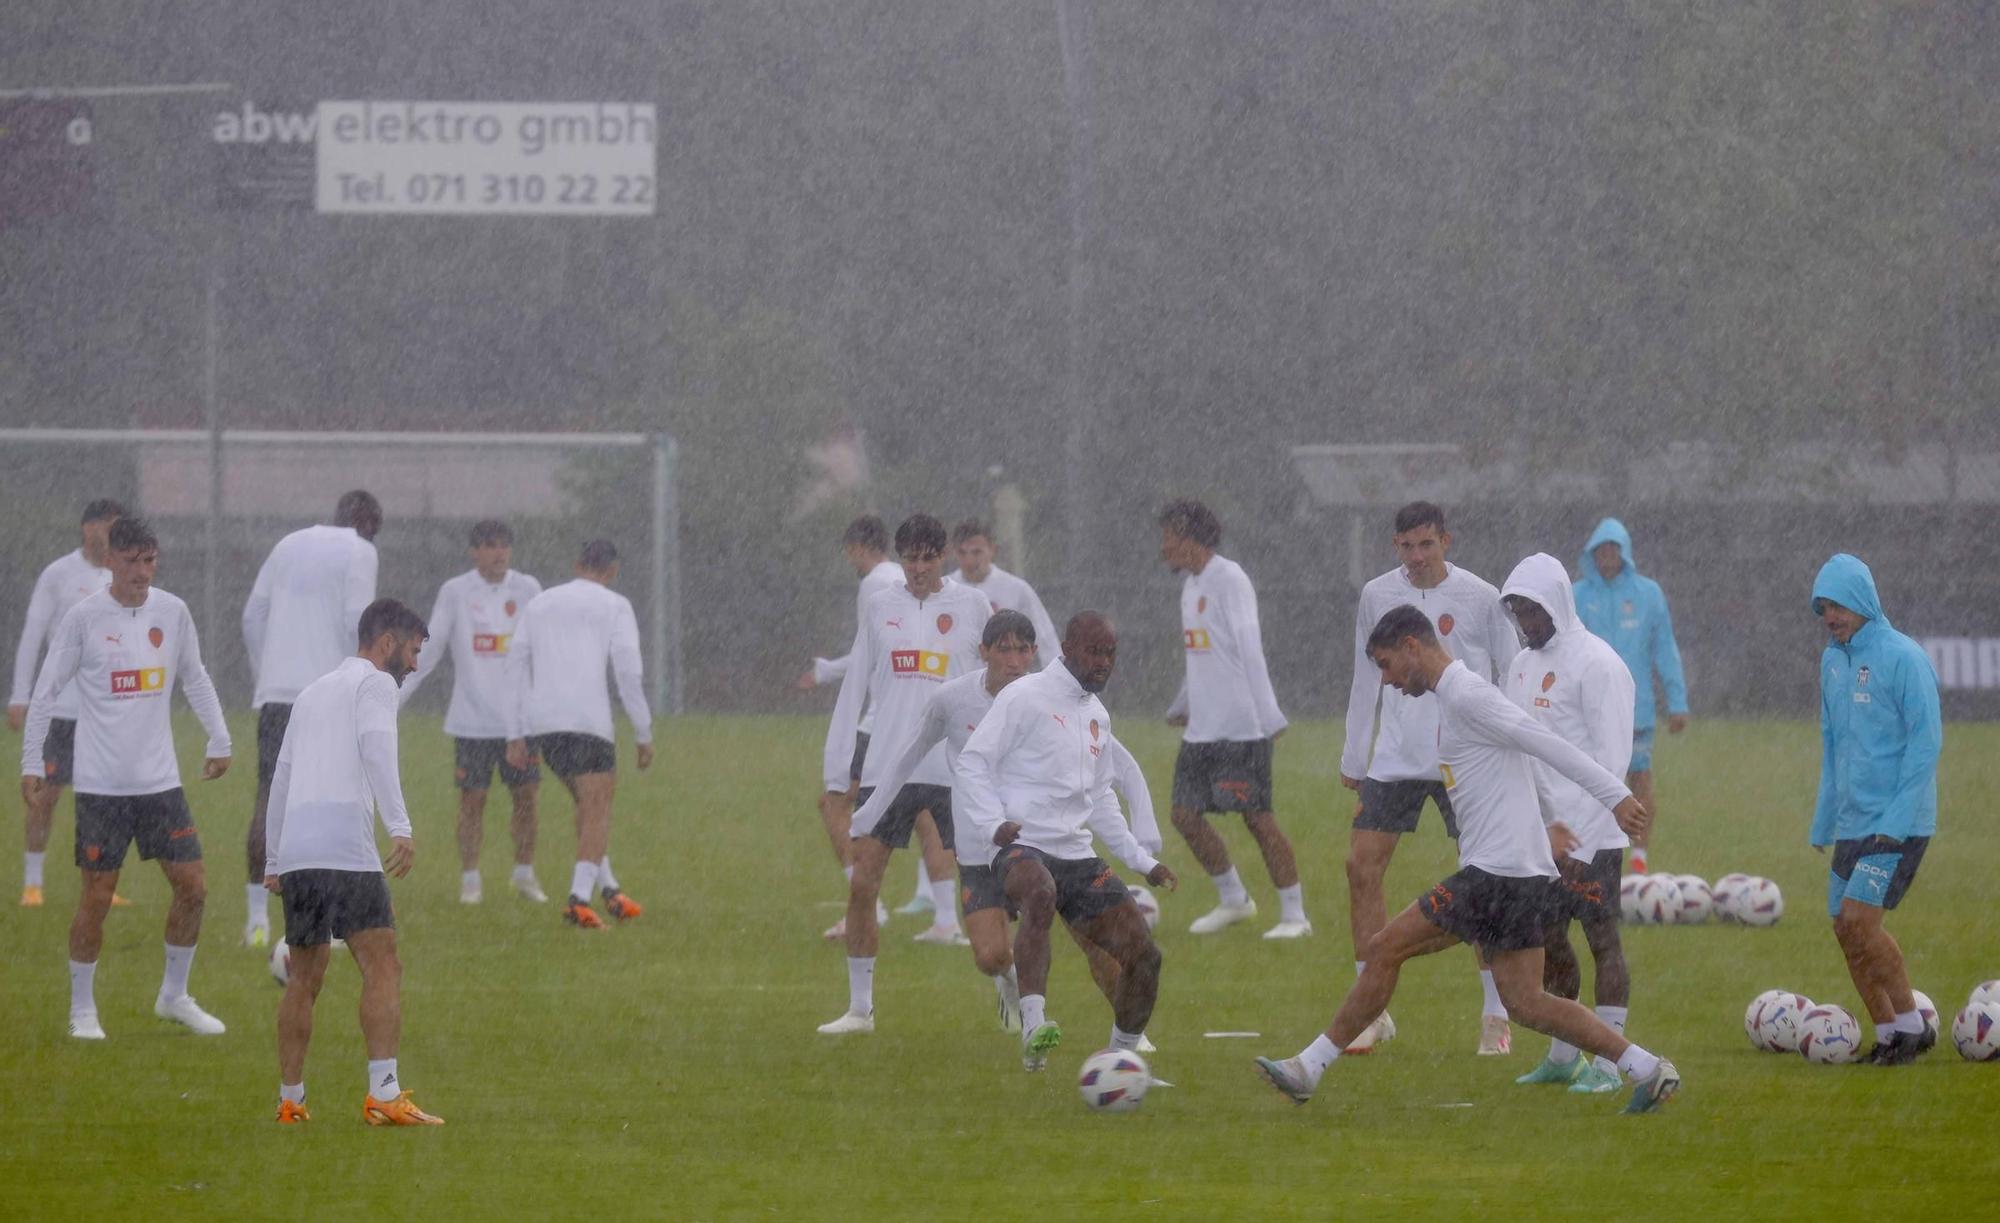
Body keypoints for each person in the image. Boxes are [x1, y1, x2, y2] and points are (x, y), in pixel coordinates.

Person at [1255, 605, 1680, 1115]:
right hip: (1516, 874)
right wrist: (1550, 818)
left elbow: (1541, 741)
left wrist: (1614, 796)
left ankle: (1309, 1066)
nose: (1387, 681)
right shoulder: (1454, 698)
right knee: (1526, 1003)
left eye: (1387, 665)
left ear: (1414, 646)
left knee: (1385, 948)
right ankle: (1646, 1067)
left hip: (1495, 875)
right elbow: (1522, 754)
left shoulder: (1467, 693)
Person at [822, 611, 1165, 1044]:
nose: (1015, 659)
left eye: (1023, 649)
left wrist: (1144, 835)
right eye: (1004, 648)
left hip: (1043, 846)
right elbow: (906, 755)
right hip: (982, 852)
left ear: (1035, 653)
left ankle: (1129, 1039)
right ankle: (1011, 979)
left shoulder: (1052, 697)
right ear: (982, 652)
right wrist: (868, 815)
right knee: (990, 956)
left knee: (1095, 944)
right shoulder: (952, 700)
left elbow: (1119, 766)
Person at [21, 517, 232, 1040]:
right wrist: (31, 763)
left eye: (149, 560)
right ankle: (82, 1009)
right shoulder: (84, 618)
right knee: (97, 896)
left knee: (194, 887)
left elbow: (195, 676)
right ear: (110, 560)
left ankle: (174, 996)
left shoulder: (173, 611)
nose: (142, 571)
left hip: (160, 785)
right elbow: (47, 692)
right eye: (132, 561)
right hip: (101, 789)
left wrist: (220, 737)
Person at [1338, 500, 1522, 1055]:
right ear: (1394, 546)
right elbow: (1364, 677)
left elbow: (1511, 671)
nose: (1416, 557)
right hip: (1395, 757)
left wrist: (1511, 748)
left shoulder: (1481, 597)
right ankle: (1371, 1008)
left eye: (1427, 544)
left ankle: (1495, 1011)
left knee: (1481, 876)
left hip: (1463, 757)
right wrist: (1354, 758)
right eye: (1406, 546)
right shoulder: (1376, 594)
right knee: (1359, 866)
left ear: (1447, 541)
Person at [958, 611, 1178, 1071]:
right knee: (1039, 892)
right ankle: (1035, 1023)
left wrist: (1142, 861)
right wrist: (992, 823)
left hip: (1076, 853)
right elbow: (973, 762)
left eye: (1110, 654)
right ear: (1068, 647)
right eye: (1094, 652)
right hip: (1019, 845)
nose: (1103, 663)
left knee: (1145, 956)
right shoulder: (1024, 696)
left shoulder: (1097, 714)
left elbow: (1100, 798)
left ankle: (1120, 1063)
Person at [265, 598, 441, 1125]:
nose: (412, 665)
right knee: (382, 963)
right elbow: (377, 750)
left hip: (300, 848)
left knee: (304, 977)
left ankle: (290, 1101)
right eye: (411, 652)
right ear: (386, 643)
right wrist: (401, 826)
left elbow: (281, 776)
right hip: (346, 845)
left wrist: (275, 857)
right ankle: (384, 1094)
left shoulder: (312, 691)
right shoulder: (375, 685)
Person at [814, 513, 990, 993]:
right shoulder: (880, 605)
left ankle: (1015, 997)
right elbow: (855, 686)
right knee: (863, 884)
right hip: (888, 768)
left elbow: (1001, 682)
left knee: (991, 888)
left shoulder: (974, 606)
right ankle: (859, 1008)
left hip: (955, 768)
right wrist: (838, 764)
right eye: (909, 558)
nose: (916, 568)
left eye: (926, 559)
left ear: (943, 557)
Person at [1500, 554, 1637, 1095]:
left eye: (1533, 611)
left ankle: (1610, 1062)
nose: (1526, 623)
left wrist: (1579, 834)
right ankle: (1564, 1056)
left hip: (1591, 837)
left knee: (1603, 941)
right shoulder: (1519, 665)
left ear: (1556, 603)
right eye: (1518, 613)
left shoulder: (1599, 664)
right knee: (1550, 942)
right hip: (1538, 837)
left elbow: (1613, 761)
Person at [1810, 553, 1941, 1065]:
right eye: (1823, 608)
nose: (1831, 616)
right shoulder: (1831, 660)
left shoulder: (1903, 657)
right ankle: (1887, 1034)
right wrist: (1825, 817)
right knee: (1843, 929)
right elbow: (1831, 743)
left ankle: (1914, 1028)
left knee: (1861, 921)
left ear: (1863, 600)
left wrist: (1896, 821)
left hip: (1898, 824)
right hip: (1852, 822)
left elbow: (1925, 746)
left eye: (1838, 605)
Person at [1157, 499, 1306, 941]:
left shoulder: (1230, 579)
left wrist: (1269, 713)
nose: (1162, 546)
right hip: (1202, 728)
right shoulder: (1190, 585)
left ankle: (1295, 914)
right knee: (1184, 815)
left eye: (1168, 536)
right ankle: (1234, 899)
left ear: (1189, 538)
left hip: (1242, 726)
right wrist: (1182, 702)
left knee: (1257, 818)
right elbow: (1201, 654)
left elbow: (1248, 648)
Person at [240, 489, 382, 946]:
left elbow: (252, 615)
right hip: (327, 694)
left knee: (269, 797)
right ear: (369, 528)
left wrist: (268, 673)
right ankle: (333, 918)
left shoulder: (289, 544)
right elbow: (356, 622)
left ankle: (258, 920)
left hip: (279, 696)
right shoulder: (361, 552)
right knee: (333, 801)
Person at [504, 539, 653, 929]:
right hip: (589, 722)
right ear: (613, 570)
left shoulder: (541, 603)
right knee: (598, 809)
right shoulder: (616, 605)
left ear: (577, 563)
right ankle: (578, 900)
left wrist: (515, 732)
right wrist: (643, 731)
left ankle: (610, 891)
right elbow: (628, 672)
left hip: (545, 725)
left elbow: (515, 664)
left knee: (588, 809)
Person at [399, 519, 547, 904]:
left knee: (527, 796)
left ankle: (524, 873)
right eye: (491, 546)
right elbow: (430, 649)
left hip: (520, 721)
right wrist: (396, 697)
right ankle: (470, 880)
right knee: (472, 801)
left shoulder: (528, 589)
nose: (499, 553)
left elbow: (547, 647)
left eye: (504, 546)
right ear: (474, 551)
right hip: (472, 719)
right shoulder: (456, 592)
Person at [796, 515, 912, 935]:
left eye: (850, 551)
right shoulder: (902, 577)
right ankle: (945, 915)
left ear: (858, 548)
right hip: (910, 716)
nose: (850, 559)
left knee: (834, 804)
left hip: (881, 720)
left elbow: (869, 655)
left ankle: (866, 904)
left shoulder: (873, 584)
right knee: (925, 815)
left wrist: (826, 673)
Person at [10, 498, 124, 907]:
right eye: (103, 525)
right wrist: (20, 695)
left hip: (106, 710)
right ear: (86, 528)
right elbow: (33, 634)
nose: (108, 533)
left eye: (115, 526)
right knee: (46, 794)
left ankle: (101, 886)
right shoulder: (58, 574)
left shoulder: (121, 574)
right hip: (61, 708)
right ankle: (33, 883)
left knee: (104, 798)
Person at [1573, 518, 1690, 874]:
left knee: (1639, 782)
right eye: (1601, 550)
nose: (1607, 556)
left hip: (1634, 711)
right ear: (1592, 553)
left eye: (1614, 549)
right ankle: (1585, 856)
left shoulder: (1648, 594)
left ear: (1625, 554)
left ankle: (1639, 857)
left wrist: (1677, 702)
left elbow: (1664, 649)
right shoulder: (1576, 595)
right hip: (1585, 711)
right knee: (1585, 786)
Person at [949, 520, 1062, 667]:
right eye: (962, 553)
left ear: (992, 550)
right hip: (957, 681)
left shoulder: (1016, 590)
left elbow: (1046, 639)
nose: (969, 560)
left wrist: (1056, 681)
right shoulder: (945, 590)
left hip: (1005, 682)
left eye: (977, 552)